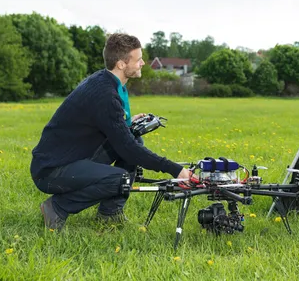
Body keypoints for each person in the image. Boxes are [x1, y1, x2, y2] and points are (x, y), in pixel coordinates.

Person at [30, 33, 191, 231]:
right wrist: (175, 169)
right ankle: (57, 208)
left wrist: (127, 123)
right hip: (51, 170)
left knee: (134, 139)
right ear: (122, 64)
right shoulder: (105, 94)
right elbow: (127, 148)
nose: (143, 63)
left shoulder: (107, 82)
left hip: (72, 158)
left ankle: (110, 213)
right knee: (121, 176)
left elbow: (110, 127)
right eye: (138, 59)